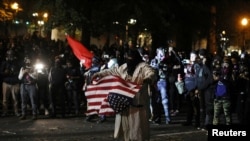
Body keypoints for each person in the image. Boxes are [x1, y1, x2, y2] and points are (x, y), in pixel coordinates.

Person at [92, 48, 157, 141]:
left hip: (138, 103)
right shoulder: (124, 67)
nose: (129, 60)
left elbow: (152, 73)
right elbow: (112, 71)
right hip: (124, 103)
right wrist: (99, 74)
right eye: (127, 57)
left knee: (138, 130)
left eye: (131, 58)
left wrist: (148, 79)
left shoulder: (143, 66)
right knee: (126, 130)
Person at [0, 49, 21, 117]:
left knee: (15, 99)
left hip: (14, 82)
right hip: (6, 82)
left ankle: (16, 111)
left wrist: (14, 73)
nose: (10, 56)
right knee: (5, 99)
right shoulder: (4, 63)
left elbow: (19, 71)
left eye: (11, 55)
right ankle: (5, 112)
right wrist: (5, 73)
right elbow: (1, 72)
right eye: (9, 55)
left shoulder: (16, 63)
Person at [18, 56, 39, 120]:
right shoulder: (22, 68)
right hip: (24, 85)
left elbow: (36, 77)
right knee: (23, 101)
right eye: (26, 60)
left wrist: (29, 73)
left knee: (33, 100)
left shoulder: (34, 68)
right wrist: (23, 72)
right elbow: (19, 77)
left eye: (29, 60)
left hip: (31, 85)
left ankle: (34, 114)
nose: (28, 61)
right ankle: (24, 114)